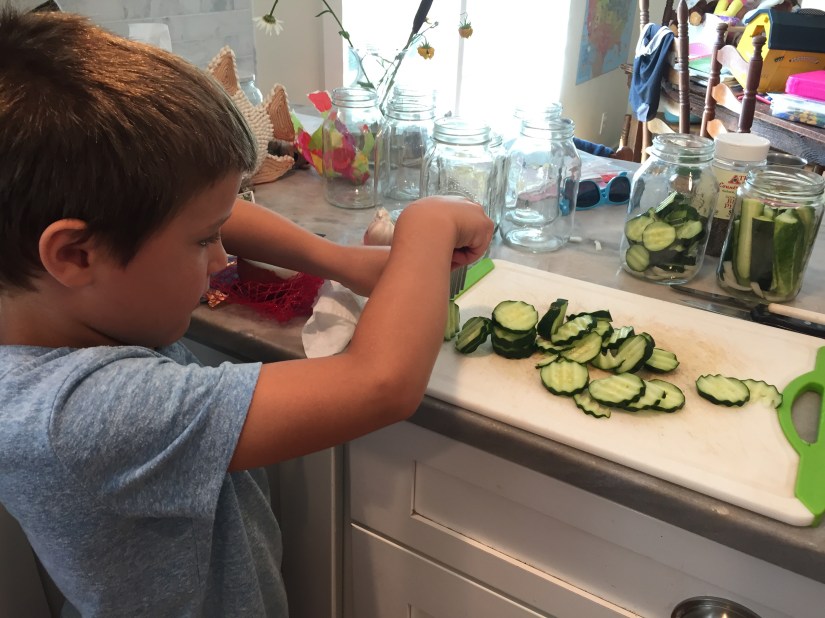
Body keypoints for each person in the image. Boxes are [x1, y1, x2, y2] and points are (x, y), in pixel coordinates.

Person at [0, 7, 493, 617]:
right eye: (202, 241)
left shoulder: (40, 307)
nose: (221, 259)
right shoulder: (80, 417)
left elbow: (211, 209)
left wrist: (339, 260)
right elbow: (380, 383)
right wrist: (427, 222)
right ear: (75, 255)